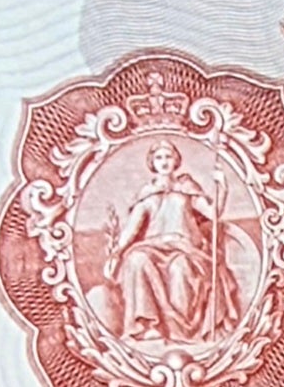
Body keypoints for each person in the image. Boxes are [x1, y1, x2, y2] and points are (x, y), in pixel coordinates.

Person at [104, 140, 243, 344]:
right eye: (159, 158)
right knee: (136, 259)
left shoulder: (186, 188)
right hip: (153, 247)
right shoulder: (147, 194)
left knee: (180, 267)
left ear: (176, 160)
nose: (164, 162)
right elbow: (131, 230)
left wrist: (223, 187)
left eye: (168, 157)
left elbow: (213, 214)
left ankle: (182, 331)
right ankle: (147, 325)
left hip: (185, 248)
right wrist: (115, 254)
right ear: (152, 163)